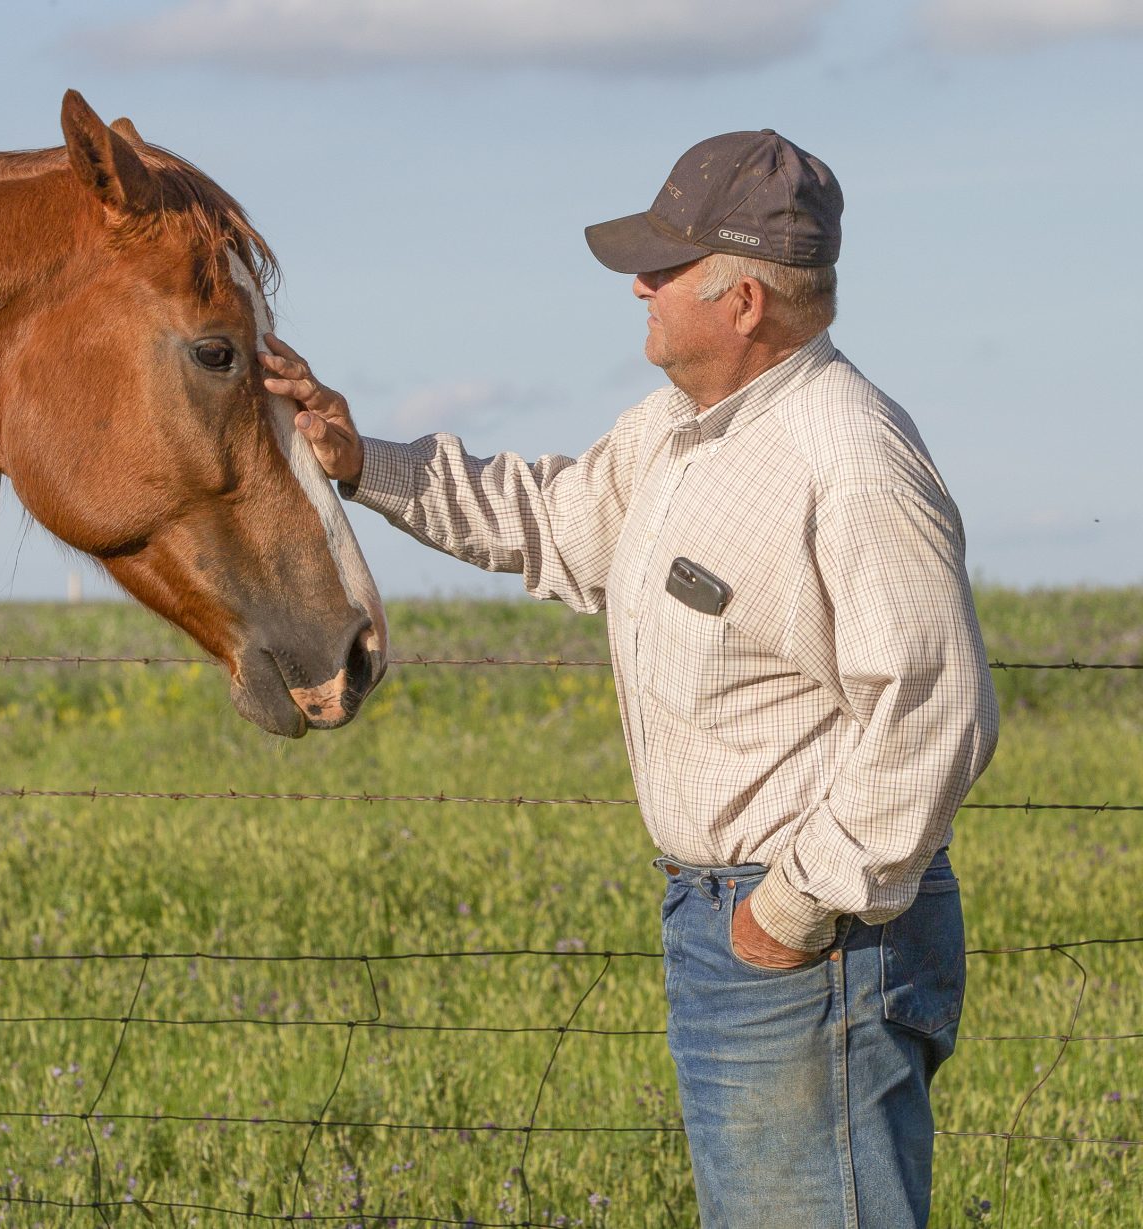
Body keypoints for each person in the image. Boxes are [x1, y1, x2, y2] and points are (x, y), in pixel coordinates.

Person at [259, 129, 999, 1228]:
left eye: (664, 264)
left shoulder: (850, 457)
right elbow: (551, 521)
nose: (639, 284)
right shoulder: (676, 432)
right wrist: (365, 461)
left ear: (743, 300)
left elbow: (934, 714)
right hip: (732, 925)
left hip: (813, 943)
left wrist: (791, 910)